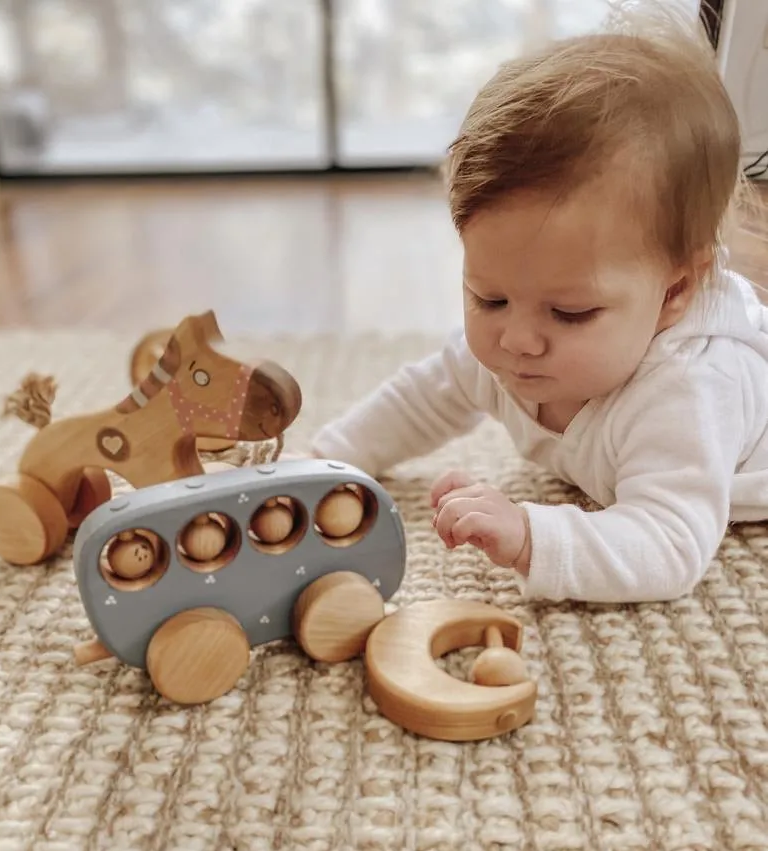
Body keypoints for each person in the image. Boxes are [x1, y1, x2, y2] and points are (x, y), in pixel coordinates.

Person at [307, 1, 768, 603]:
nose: (517, 339)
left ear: (674, 293)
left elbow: (669, 545)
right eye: (488, 297)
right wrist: (328, 460)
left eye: (570, 313)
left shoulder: (689, 388)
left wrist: (532, 534)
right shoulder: (509, 342)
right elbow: (423, 397)